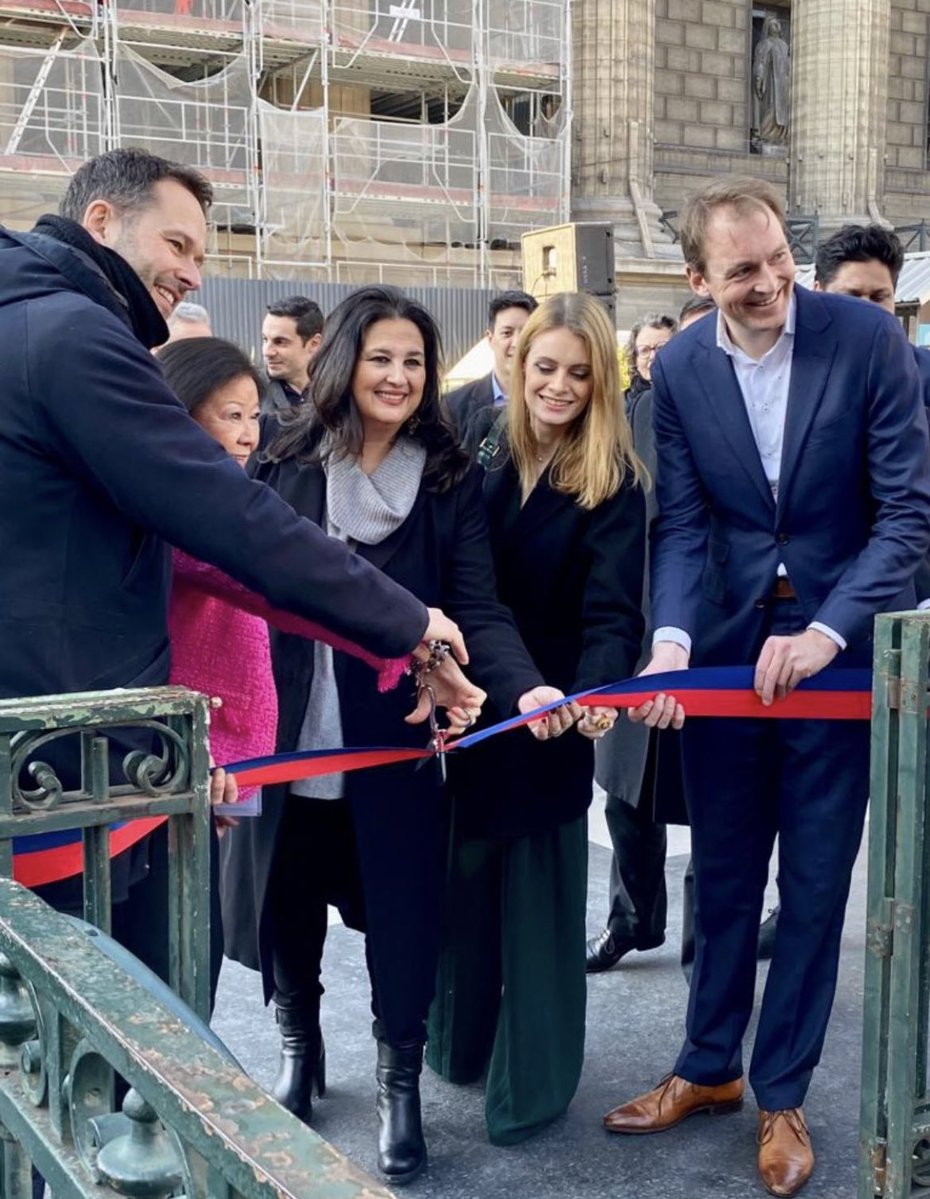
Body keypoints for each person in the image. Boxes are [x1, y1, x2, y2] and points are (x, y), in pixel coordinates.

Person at [0, 148, 472, 980]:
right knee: (126, 1053)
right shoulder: (75, 335)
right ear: (101, 220)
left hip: (62, 763)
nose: (190, 272)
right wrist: (409, 621)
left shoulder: (28, 318)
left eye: (201, 256)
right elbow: (237, 525)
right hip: (70, 776)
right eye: (177, 245)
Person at [602, 176, 930, 1198]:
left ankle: (783, 1090)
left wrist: (831, 629)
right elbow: (689, 526)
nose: (771, 284)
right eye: (742, 270)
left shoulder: (867, 341)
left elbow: (907, 518)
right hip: (727, 651)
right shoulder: (685, 368)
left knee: (819, 880)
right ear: (696, 279)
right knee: (728, 868)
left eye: (779, 260)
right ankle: (708, 1065)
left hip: (837, 649)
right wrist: (668, 644)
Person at [221, 285, 566, 1186]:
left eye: (414, 360)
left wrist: (521, 685)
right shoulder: (285, 462)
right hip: (293, 728)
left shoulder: (449, 480)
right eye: (381, 357)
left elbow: (478, 607)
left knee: (403, 918)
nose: (400, 376)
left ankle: (398, 1084)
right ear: (343, 361)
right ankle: (299, 1045)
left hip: (397, 742)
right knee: (286, 898)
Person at [427, 291, 647, 1146]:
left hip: (556, 712)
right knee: (469, 889)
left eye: (579, 373)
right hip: (472, 702)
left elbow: (613, 612)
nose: (558, 385)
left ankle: (534, 1085)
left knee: (542, 902)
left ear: (603, 384)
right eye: (544, 366)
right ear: (515, 366)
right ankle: (461, 1044)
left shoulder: (615, 480)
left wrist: (593, 696)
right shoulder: (472, 448)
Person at [588, 294, 712, 976]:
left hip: (720, 635)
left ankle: (708, 955)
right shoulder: (633, 415)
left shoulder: (745, 425)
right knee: (626, 794)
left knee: (717, 808)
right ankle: (632, 921)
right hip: (638, 628)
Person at [444, 289, 538, 437]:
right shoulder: (455, 405)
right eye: (507, 333)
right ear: (490, 338)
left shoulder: (550, 401)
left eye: (526, 333)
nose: (517, 343)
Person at [261, 294, 324, 413]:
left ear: (314, 344)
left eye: (280, 342)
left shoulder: (340, 394)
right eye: (265, 339)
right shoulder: (252, 393)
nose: (267, 352)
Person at [624, 314, 676, 415]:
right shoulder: (618, 407)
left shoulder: (690, 399)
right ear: (635, 359)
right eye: (644, 350)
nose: (653, 356)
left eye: (662, 348)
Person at [752, 16, 790, 148]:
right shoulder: (765, 44)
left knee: (783, 112)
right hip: (771, 85)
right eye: (773, 24)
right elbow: (760, 63)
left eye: (778, 24)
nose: (777, 26)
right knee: (771, 110)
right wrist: (759, 78)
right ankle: (767, 136)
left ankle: (781, 137)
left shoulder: (785, 46)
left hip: (783, 85)